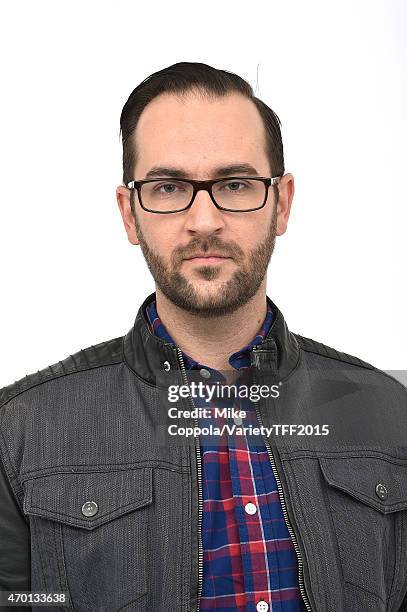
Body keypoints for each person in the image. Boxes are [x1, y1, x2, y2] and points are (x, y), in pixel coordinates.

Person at [1, 62, 406, 612]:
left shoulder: (387, 411)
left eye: (235, 185)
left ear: (281, 203)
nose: (204, 220)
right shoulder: (20, 431)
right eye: (169, 187)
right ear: (129, 213)